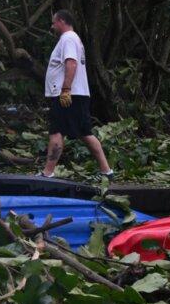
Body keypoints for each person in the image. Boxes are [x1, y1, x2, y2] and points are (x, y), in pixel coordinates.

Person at [41, 10, 115, 180]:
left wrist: (65, 89)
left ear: (61, 21)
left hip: (67, 95)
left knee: (56, 131)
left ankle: (47, 173)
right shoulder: (73, 39)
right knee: (84, 132)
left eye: (54, 23)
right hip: (76, 94)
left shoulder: (67, 38)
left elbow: (71, 63)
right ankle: (107, 171)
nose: (52, 27)